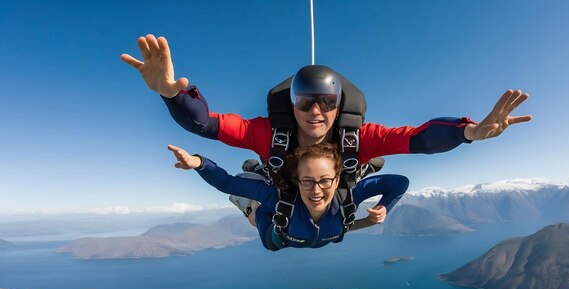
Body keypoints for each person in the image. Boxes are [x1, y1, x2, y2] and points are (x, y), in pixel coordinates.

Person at [121, 34, 531, 225]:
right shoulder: (269, 133)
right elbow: (208, 125)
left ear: (339, 105)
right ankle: (250, 190)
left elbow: (419, 139)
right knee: (252, 189)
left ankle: (360, 171)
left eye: (327, 102)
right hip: (280, 183)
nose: (316, 111)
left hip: (334, 182)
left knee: (377, 156)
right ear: (292, 103)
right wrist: (172, 96)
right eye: (305, 102)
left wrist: (468, 134)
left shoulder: (360, 138)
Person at [167, 142, 409, 251]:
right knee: (253, 207)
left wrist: (384, 206)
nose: (316, 190)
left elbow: (400, 183)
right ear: (297, 181)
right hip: (274, 234)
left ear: (337, 181)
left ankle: (259, 170)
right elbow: (226, 183)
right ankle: (258, 173)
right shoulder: (278, 200)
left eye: (325, 181)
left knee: (337, 210)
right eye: (307, 181)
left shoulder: (348, 195)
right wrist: (198, 163)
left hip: (328, 231)